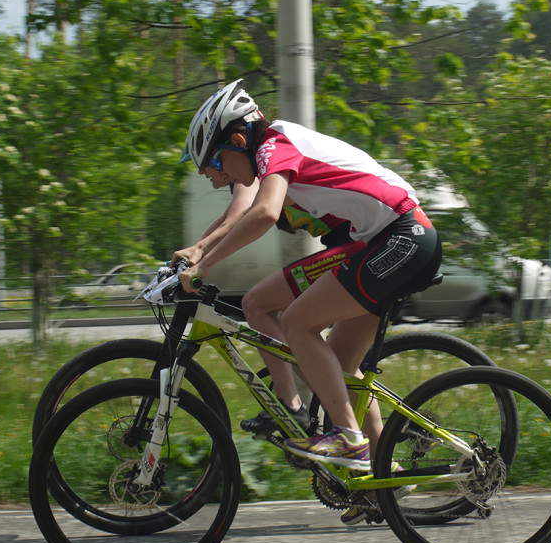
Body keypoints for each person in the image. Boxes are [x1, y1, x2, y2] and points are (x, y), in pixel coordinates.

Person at [176, 78, 442, 479]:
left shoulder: (275, 147)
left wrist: (206, 265)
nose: (214, 178)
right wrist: (197, 251)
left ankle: (341, 436)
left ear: (237, 138)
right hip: (381, 240)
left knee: (294, 321)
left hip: (401, 237)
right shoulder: (267, 155)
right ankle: (382, 479)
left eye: (214, 164)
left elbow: (264, 214)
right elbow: (243, 209)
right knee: (336, 364)